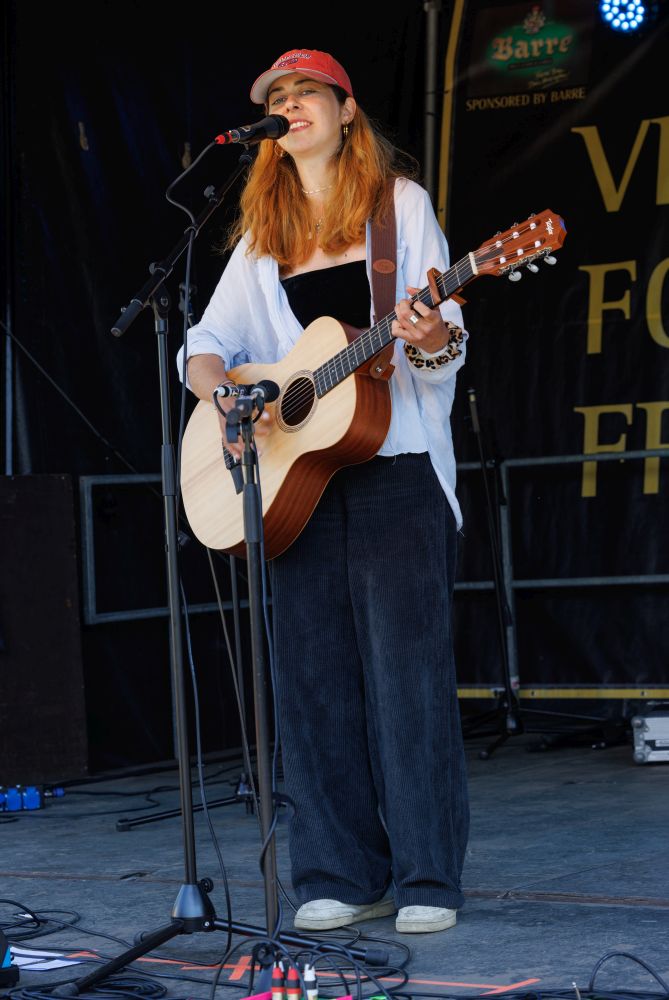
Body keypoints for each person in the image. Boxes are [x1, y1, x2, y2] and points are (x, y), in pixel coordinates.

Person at [177, 48, 470, 935]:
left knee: (407, 685)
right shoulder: (261, 232)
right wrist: (223, 396)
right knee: (312, 687)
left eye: (307, 93)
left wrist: (426, 335)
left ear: (346, 112)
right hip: (293, 485)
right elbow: (205, 342)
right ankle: (341, 872)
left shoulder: (398, 206)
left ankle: (426, 880)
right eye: (279, 97)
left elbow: (443, 340)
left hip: (395, 471)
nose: (292, 106)